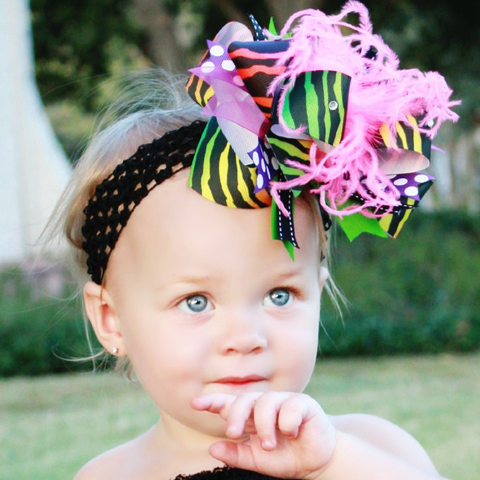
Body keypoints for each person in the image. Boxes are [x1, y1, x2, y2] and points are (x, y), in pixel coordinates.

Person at [48, 2, 458, 479]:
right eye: (196, 301)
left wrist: (330, 464)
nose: (245, 339)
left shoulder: (370, 450)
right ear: (111, 320)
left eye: (279, 295)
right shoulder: (108, 476)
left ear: (318, 294)